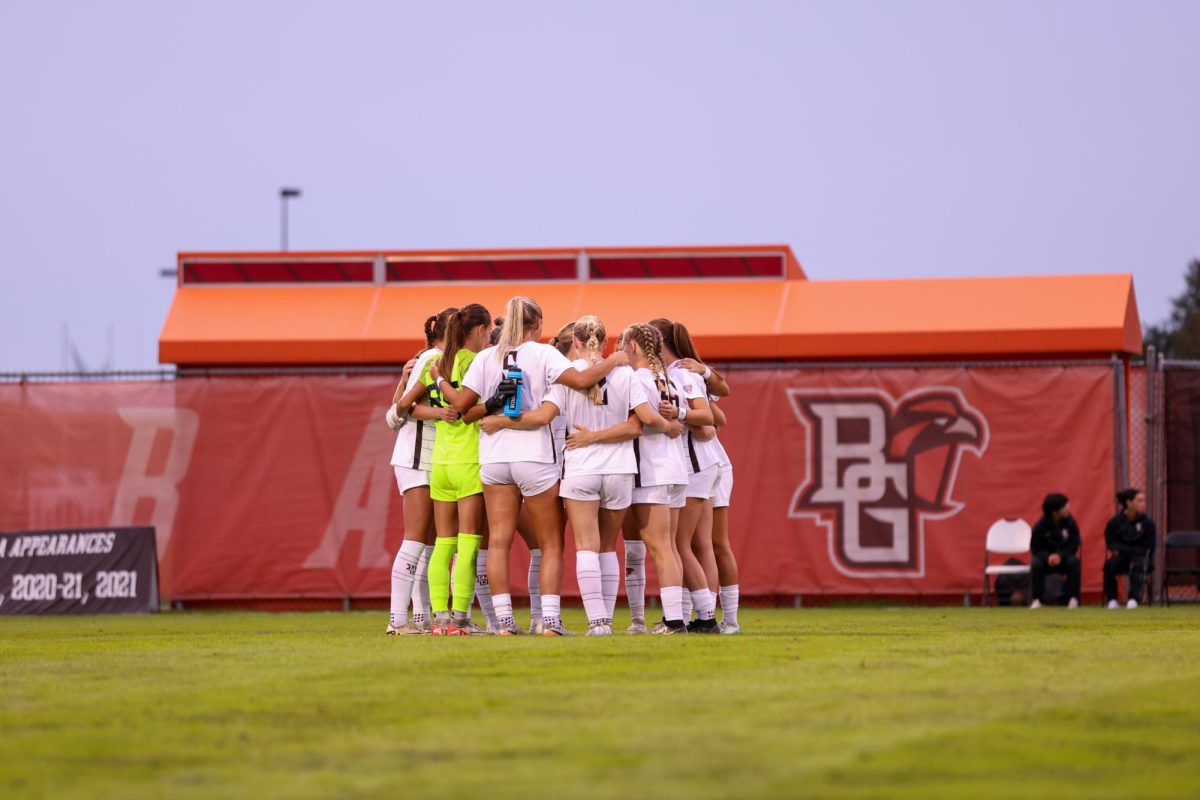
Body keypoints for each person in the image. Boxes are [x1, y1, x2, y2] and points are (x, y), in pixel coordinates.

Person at [439, 296, 625, 635]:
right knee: (551, 543)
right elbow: (582, 382)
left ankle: (505, 622)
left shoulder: (486, 357)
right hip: (534, 456)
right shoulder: (544, 354)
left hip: (494, 457)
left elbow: (463, 409)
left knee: (498, 541)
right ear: (537, 324)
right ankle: (550, 621)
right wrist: (614, 361)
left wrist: (443, 383)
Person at [396, 304, 493, 634]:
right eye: (490, 329)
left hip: (439, 464)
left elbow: (403, 406)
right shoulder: (475, 361)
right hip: (468, 461)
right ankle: (461, 618)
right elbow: (465, 406)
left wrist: (437, 411)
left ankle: (439, 620)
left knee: (443, 544)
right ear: (479, 330)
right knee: (468, 542)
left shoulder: (438, 363)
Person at [648, 319, 721, 633]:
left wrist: (677, 415)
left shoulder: (678, 372)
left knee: (680, 545)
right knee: (693, 544)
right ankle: (698, 616)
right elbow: (720, 408)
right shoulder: (682, 371)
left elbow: (707, 425)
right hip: (700, 465)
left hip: (695, 465)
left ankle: (703, 617)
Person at [384, 308, 453, 634]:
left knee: (428, 544)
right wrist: (443, 413)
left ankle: (422, 618)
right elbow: (402, 411)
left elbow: (393, 416)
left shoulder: (430, 358)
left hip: (428, 459)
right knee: (415, 541)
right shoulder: (433, 359)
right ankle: (398, 620)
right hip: (417, 459)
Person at [1104, 488, 1157, 609]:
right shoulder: (1115, 523)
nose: (1143, 503)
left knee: (1138, 563)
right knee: (1110, 564)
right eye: (1139, 500)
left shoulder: (1147, 523)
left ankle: (1133, 599)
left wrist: (1124, 550)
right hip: (1122, 560)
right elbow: (1112, 544)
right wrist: (1132, 550)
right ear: (1129, 503)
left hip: (1142, 560)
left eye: (1144, 500)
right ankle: (1112, 600)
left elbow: (1148, 548)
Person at [1029, 493, 1081, 609]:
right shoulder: (1040, 526)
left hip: (1064, 559)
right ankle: (1037, 600)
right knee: (1036, 564)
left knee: (1073, 562)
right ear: (1055, 512)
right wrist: (1048, 556)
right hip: (1046, 560)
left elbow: (1074, 545)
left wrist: (1060, 556)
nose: (1068, 509)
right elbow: (1035, 548)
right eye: (1064, 507)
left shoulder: (1070, 523)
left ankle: (1073, 599)